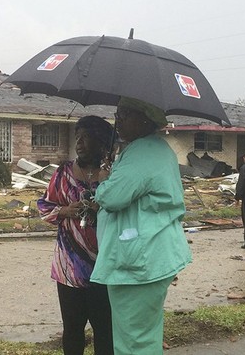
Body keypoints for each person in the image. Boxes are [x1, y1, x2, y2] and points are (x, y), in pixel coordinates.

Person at [90, 97, 192, 355]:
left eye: (125, 114)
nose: (118, 120)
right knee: (145, 334)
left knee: (132, 340)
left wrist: (103, 181)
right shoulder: (156, 149)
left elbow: (113, 197)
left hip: (138, 261)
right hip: (152, 253)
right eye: (117, 113)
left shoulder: (143, 152)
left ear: (145, 119)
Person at [37, 116, 115, 355]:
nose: (79, 143)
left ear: (102, 143)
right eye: (77, 137)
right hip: (69, 266)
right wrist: (65, 210)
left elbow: (123, 209)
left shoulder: (113, 174)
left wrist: (103, 193)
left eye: (86, 137)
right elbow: (44, 206)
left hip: (105, 265)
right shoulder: (62, 173)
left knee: (105, 329)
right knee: (72, 328)